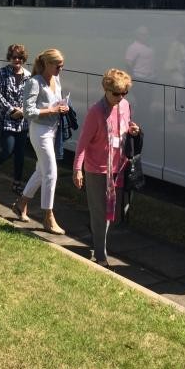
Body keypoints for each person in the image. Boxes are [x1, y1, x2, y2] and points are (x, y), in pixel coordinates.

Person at [73, 69, 140, 267]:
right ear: (106, 89)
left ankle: (96, 236)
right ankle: (101, 256)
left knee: (112, 213)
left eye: (124, 93)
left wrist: (133, 130)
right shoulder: (96, 112)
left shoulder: (125, 106)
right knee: (100, 213)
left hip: (118, 168)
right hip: (97, 169)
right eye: (116, 93)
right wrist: (78, 169)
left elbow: (124, 130)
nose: (120, 98)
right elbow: (82, 143)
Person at [12, 48, 69, 235]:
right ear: (47, 63)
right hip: (40, 131)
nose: (60, 69)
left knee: (40, 171)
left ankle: (21, 204)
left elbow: (55, 102)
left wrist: (62, 106)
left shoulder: (56, 79)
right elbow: (28, 112)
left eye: (62, 66)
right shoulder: (34, 82)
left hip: (53, 130)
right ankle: (48, 217)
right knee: (51, 173)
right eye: (58, 66)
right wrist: (51, 111)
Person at [0, 44, 31, 194]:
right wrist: (12, 110)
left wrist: (23, 110)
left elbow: (31, 97)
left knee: (20, 154)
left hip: (23, 120)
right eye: (13, 57)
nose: (16, 59)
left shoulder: (29, 76)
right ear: (9, 57)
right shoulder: (2, 72)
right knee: (8, 150)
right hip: (7, 118)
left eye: (19, 57)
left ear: (23, 58)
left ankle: (17, 183)